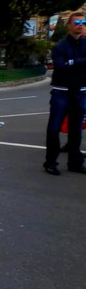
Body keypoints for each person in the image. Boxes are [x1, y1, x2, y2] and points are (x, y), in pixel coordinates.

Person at [43, 11, 86, 175]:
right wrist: (79, 63)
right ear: (69, 25)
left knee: (76, 129)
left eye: (83, 22)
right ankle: (51, 162)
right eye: (77, 22)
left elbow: (69, 66)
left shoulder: (85, 44)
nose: (81, 24)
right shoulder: (60, 46)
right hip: (61, 92)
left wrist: (72, 63)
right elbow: (60, 67)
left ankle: (75, 162)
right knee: (54, 128)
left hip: (80, 92)